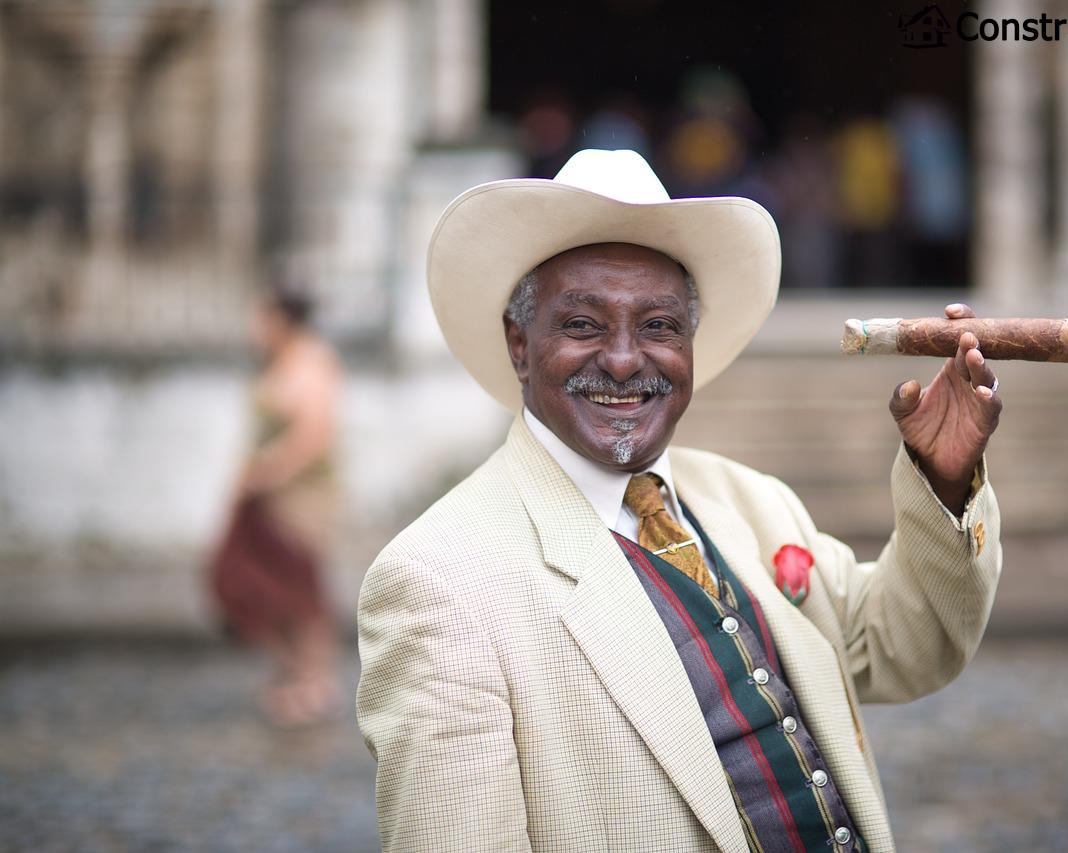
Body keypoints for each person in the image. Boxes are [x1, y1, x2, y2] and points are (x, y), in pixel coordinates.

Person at [357, 150, 1003, 852]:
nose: (627, 358)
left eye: (660, 326)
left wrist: (944, 478)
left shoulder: (752, 502)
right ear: (521, 344)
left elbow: (904, 648)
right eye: (583, 325)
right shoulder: (440, 582)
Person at [210, 287, 342, 727]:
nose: (256, 329)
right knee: (266, 586)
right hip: (267, 495)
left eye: (262, 319)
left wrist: (269, 472)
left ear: (283, 319)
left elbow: (313, 435)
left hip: (300, 496)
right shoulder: (279, 361)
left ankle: (315, 682)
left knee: (302, 589)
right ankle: (289, 673)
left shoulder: (311, 360)